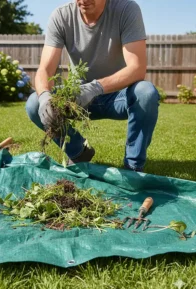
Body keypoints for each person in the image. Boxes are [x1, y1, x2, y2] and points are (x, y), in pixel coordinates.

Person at [25, 0, 160, 172]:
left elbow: (137, 69)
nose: (83, 0)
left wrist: (94, 87)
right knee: (34, 103)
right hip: (77, 99)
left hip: (117, 96)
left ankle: (133, 166)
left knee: (146, 93)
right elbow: (45, 68)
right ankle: (78, 152)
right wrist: (45, 96)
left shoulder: (126, 9)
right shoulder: (61, 16)